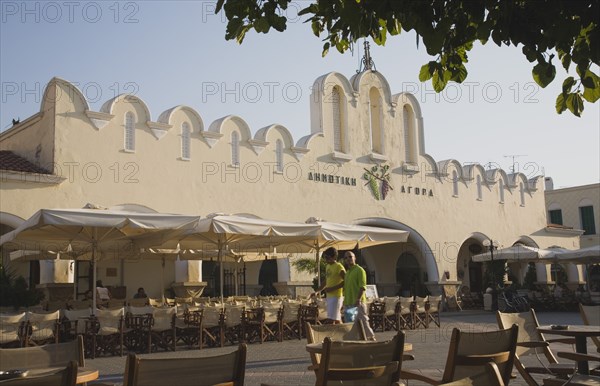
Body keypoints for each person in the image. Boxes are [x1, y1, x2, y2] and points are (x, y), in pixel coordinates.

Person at [342, 251, 376, 340]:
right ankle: (355, 342)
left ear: (354, 258)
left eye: (350, 256)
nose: (348, 259)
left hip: (358, 303)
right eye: (346, 258)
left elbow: (362, 287)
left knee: (364, 322)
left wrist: (358, 299)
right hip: (348, 304)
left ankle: (372, 339)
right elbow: (346, 289)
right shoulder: (347, 273)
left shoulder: (360, 270)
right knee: (351, 325)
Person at [313, 247, 345, 324]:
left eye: (327, 257)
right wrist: (317, 291)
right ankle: (344, 334)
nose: (326, 259)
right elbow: (326, 281)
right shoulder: (328, 266)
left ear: (334, 257)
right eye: (325, 257)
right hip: (329, 297)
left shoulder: (339, 266)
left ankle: (338, 334)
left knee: (332, 320)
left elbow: (346, 281)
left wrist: (332, 288)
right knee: (336, 320)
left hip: (336, 296)